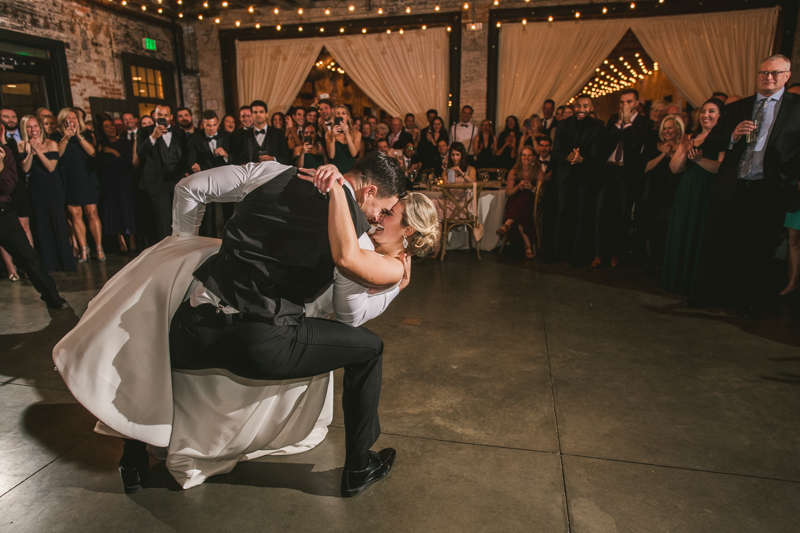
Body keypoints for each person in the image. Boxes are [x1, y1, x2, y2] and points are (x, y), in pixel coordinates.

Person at [688, 55, 800, 318]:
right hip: (734, 185)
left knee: (759, 248)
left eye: (775, 73)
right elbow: (712, 141)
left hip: (770, 188)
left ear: (787, 75)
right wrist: (732, 135)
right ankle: (708, 294)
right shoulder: (740, 106)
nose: (768, 77)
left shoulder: (796, 107)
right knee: (721, 242)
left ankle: (748, 302)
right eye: (763, 72)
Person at [0, 131, 70, 309]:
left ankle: (52, 296)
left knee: (28, 256)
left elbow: (8, 187)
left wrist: (0, 167)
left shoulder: (4, 153)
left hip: (3, 212)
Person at [662, 99, 725, 295]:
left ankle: (696, 284)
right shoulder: (690, 136)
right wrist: (685, 151)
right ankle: (677, 279)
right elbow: (674, 168)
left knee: (700, 234)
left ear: (720, 115)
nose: (706, 115)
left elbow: (720, 168)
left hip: (708, 191)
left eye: (712, 111)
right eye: (704, 111)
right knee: (682, 230)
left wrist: (699, 160)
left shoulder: (723, 138)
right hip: (686, 189)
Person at [593, 89, 654, 268]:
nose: (624, 105)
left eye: (628, 102)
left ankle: (616, 254)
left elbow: (634, 146)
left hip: (626, 174)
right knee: (601, 213)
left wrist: (627, 124)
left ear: (636, 103)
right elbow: (604, 144)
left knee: (622, 214)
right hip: (608, 171)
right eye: (622, 102)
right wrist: (618, 124)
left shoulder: (645, 123)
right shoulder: (613, 120)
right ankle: (599, 253)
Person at [18, 115, 76, 273]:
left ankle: (65, 262)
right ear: (25, 129)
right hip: (36, 189)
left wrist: (38, 150)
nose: (33, 130)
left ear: (40, 127)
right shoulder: (22, 145)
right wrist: (30, 152)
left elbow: (51, 167)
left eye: (35, 126)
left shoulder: (50, 143)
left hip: (53, 187)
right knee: (42, 225)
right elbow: (25, 169)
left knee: (58, 222)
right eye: (29, 127)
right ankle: (49, 263)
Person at [552, 95, 605, 266]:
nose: (581, 109)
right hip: (566, 175)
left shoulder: (598, 127)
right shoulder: (562, 125)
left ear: (591, 107)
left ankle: (577, 255)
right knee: (563, 213)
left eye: (585, 106)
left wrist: (582, 159)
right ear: (574, 107)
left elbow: (598, 156)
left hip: (585, 176)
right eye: (578, 105)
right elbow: (556, 152)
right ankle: (559, 252)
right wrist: (568, 157)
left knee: (582, 215)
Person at [54, 107, 103, 262]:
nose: (72, 121)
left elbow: (93, 153)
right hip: (68, 179)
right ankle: (84, 249)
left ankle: (99, 247)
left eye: (74, 118)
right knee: (75, 215)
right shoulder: (56, 136)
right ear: (63, 120)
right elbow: (58, 155)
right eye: (68, 118)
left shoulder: (87, 134)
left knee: (92, 213)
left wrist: (79, 136)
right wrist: (66, 138)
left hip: (86, 178)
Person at [137, 103, 189, 241]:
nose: (163, 118)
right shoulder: (145, 131)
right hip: (157, 183)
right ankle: (165, 251)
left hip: (177, 181)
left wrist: (183, 173)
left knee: (179, 217)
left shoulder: (179, 133)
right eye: (160, 115)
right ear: (154, 115)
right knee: (163, 218)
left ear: (171, 117)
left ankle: (180, 247)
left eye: (166, 115)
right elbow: (140, 153)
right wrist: (153, 137)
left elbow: (185, 156)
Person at [639, 115, 684, 274]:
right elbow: (646, 167)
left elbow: (679, 169)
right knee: (651, 226)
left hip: (674, 190)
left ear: (678, 128)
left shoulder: (683, 146)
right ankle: (651, 262)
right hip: (654, 190)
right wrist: (663, 154)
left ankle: (668, 263)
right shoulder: (654, 144)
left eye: (670, 127)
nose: (666, 131)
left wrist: (672, 153)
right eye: (664, 128)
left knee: (668, 227)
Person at [187, 110, 232, 237]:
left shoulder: (227, 136)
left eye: (213, 125)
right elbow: (191, 158)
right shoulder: (195, 138)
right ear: (203, 124)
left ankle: (229, 241)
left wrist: (226, 155)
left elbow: (236, 159)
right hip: (205, 180)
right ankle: (209, 244)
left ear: (218, 124)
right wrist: (194, 167)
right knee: (208, 215)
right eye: (208, 125)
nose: (211, 128)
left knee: (228, 212)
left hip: (225, 180)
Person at [98, 116, 139, 253]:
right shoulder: (101, 146)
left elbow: (128, 162)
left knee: (128, 209)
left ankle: (132, 238)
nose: (110, 128)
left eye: (111, 125)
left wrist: (114, 153)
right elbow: (101, 164)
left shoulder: (126, 143)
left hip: (125, 180)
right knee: (115, 210)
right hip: (110, 181)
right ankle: (121, 240)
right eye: (106, 127)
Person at [497, 146, 542, 259]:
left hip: (531, 203)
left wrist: (532, 188)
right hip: (514, 202)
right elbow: (508, 193)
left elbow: (541, 194)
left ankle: (507, 224)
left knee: (525, 200)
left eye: (529, 155)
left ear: (534, 157)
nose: (526, 158)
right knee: (521, 206)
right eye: (524, 155)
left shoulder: (538, 171)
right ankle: (528, 245)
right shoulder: (514, 171)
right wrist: (518, 186)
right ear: (520, 157)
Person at [326, 104, 361, 174]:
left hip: (350, 169)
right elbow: (331, 156)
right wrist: (333, 136)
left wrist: (347, 134)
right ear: (334, 116)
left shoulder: (356, 133)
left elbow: (354, 153)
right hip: (335, 170)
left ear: (348, 117)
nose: (340, 116)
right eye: (338, 113)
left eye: (343, 113)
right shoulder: (328, 134)